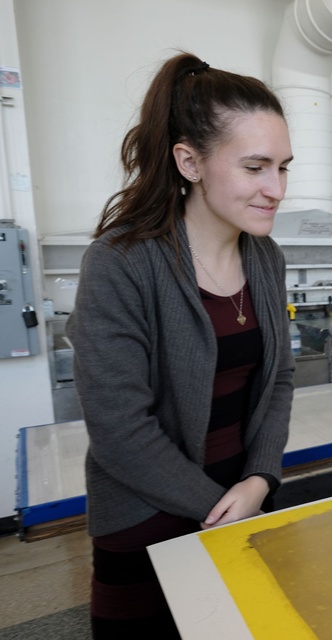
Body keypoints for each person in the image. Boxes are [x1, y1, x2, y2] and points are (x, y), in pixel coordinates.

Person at [66, 52, 294, 639]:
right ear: (190, 161)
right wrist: (222, 505)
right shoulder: (121, 263)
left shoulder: (265, 257)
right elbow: (120, 430)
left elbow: (280, 382)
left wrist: (261, 479)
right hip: (147, 516)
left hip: (238, 504)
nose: (276, 189)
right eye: (255, 167)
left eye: (283, 168)